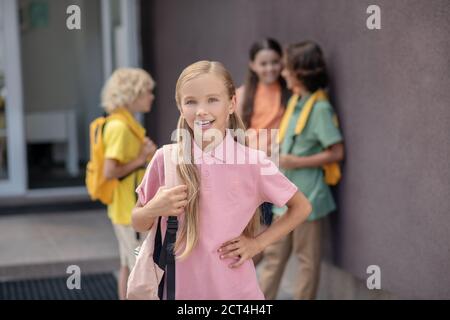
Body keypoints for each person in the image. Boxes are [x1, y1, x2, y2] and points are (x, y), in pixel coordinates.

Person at [131, 61, 312, 300]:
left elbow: (301, 207)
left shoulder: (252, 162)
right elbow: (137, 221)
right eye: (191, 101)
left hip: (236, 292)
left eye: (212, 100)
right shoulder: (165, 159)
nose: (201, 110)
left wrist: (257, 244)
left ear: (232, 104)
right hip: (178, 292)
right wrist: (154, 208)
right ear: (180, 106)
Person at [258, 41, 345, 300]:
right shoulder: (296, 102)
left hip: (309, 199)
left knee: (306, 261)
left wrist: (296, 162)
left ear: (300, 72)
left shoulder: (319, 108)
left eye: (287, 68)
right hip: (284, 199)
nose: (282, 72)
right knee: (273, 257)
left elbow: (336, 152)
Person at [101, 68, 158, 300]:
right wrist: (141, 158)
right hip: (128, 213)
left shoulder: (125, 123)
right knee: (140, 267)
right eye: (147, 91)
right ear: (131, 94)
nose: (151, 96)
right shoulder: (120, 127)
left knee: (127, 265)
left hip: (124, 210)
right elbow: (110, 171)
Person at [236, 38, 290, 262]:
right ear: (252, 65)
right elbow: (233, 135)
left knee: (266, 239)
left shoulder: (288, 92)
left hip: (274, 172)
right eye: (263, 63)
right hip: (248, 173)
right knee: (248, 235)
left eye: (274, 62)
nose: (270, 68)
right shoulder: (242, 94)